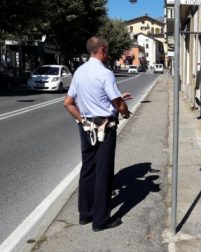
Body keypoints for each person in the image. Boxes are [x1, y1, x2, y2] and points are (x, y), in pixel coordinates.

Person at [64, 36, 132, 231]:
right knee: (103, 172)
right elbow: (118, 105)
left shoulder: (79, 72)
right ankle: (100, 220)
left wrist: (82, 120)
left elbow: (68, 103)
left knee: (88, 169)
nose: (109, 53)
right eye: (108, 50)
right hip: (105, 128)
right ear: (102, 50)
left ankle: (85, 214)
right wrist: (125, 111)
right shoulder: (105, 73)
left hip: (86, 128)